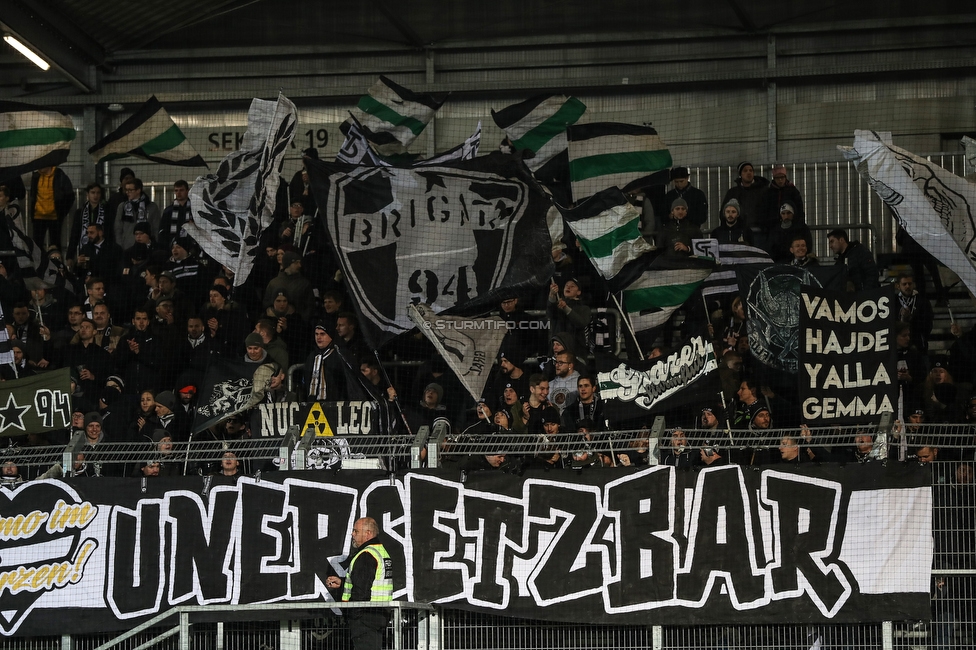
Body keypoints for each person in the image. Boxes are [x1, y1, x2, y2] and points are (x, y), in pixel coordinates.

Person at [325, 517, 394, 650]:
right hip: (378, 614)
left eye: (356, 531)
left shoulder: (367, 554)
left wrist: (354, 616)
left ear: (368, 533)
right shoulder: (380, 551)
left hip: (364, 618)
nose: (352, 534)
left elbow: (361, 590)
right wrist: (343, 582)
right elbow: (369, 582)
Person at [720, 162, 769, 247]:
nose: (748, 173)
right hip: (739, 233)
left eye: (750, 170)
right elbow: (723, 213)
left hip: (760, 233)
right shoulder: (733, 192)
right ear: (740, 174)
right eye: (745, 171)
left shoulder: (764, 191)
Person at [29, 166, 74, 248]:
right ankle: (38, 261)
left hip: (54, 217)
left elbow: (70, 196)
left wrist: (61, 212)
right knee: (37, 246)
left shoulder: (59, 176)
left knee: (55, 244)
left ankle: (55, 260)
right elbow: (33, 195)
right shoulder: (36, 176)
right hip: (38, 216)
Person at [894, 272, 934, 353]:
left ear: (914, 284)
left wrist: (911, 318)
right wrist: (901, 318)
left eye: (910, 283)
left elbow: (928, 323)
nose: (907, 286)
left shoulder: (923, 301)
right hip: (898, 347)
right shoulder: (893, 301)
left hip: (918, 344)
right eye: (904, 284)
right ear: (898, 286)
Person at [158, 180, 192, 249]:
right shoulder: (168, 211)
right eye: (176, 191)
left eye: (181, 190)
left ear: (187, 191)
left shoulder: (194, 210)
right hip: (172, 246)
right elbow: (163, 230)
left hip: (190, 245)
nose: (178, 193)